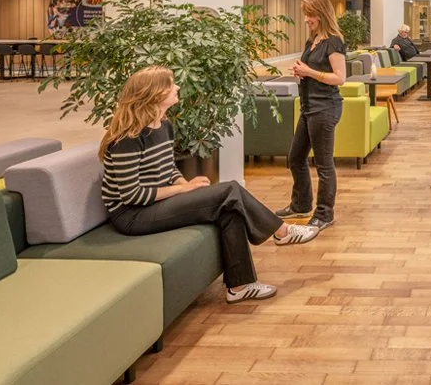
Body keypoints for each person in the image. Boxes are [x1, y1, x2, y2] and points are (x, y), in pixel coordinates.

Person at [100, 66, 312, 306]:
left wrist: (184, 183)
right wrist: (183, 190)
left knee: (230, 208)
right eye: (171, 85)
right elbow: (131, 195)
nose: (177, 87)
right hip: (132, 215)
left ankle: (240, 286)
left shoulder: (164, 126)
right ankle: (281, 231)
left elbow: (168, 169)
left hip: (156, 203)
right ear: (155, 94)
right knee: (230, 189)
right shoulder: (127, 139)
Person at [276, 0, 346, 235]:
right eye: (305, 14)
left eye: (310, 14)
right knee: (295, 157)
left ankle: (324, 214)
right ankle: (301, 204)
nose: (306, 19)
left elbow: (340, 78)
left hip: (325, 107)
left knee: (324, 165)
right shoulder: (313, 41)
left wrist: (309, 71)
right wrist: (302, 71)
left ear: (322, 15)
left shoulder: (333, 42)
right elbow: (314, 70)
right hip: (308, 107)